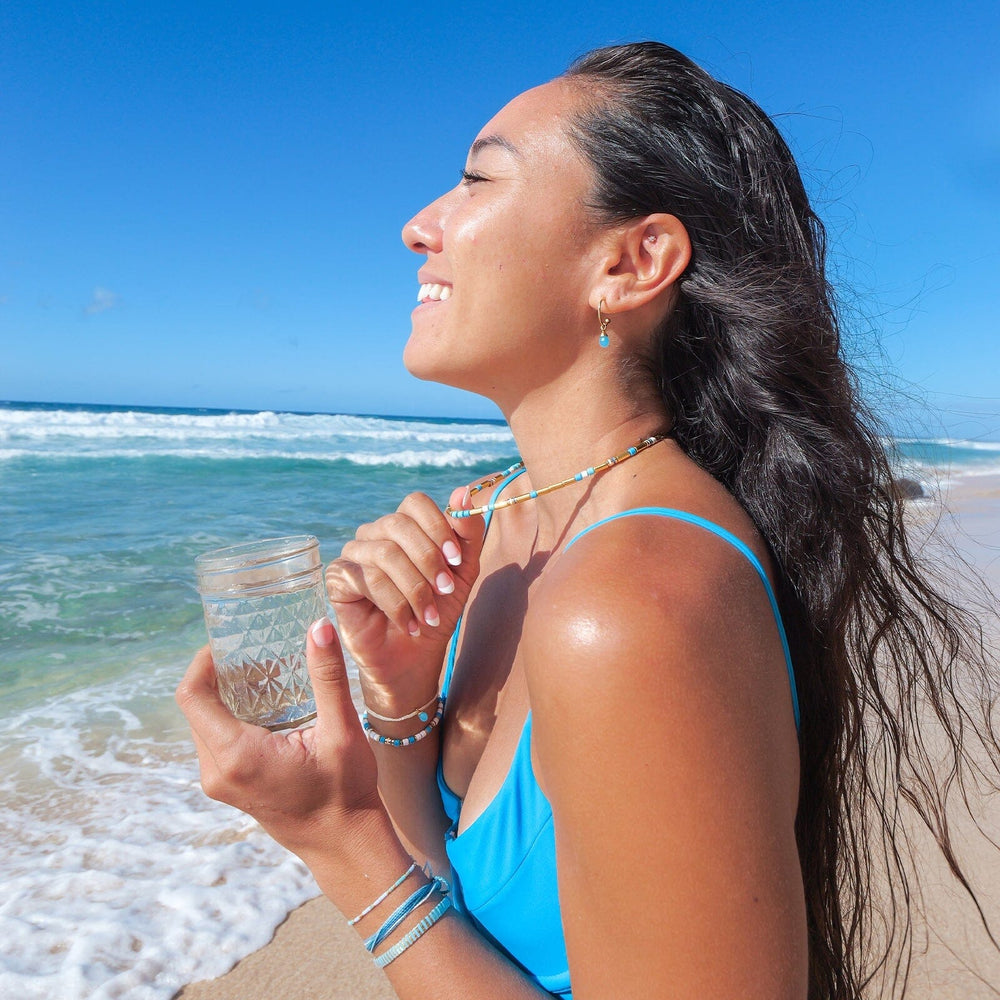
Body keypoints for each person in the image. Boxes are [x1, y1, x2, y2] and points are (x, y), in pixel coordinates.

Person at [177, 42, 999, 999]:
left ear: (631, 260)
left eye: (478, 179)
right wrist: (403, 706)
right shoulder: (494, 520)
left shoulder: (634, 602)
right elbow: (451, 901)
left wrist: (334, 841)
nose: (416, 227)